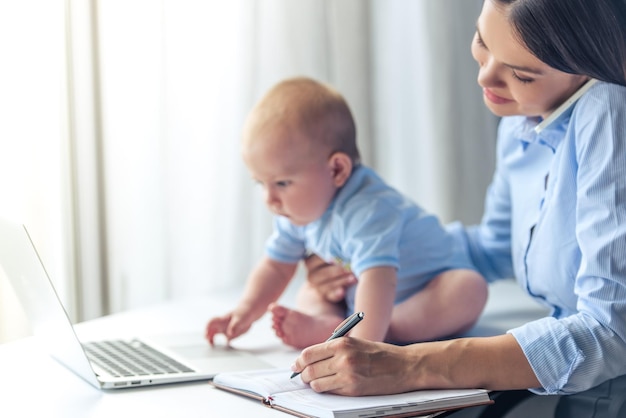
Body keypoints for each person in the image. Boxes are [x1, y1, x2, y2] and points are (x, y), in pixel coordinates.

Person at [291, 0, 626, 416]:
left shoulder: (610, 111)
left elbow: (613, 331)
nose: (486, 76)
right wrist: (375, 254)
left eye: (521, 73)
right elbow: (493, 249)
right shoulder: (522, 122)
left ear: (593, 66)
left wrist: (411, 365)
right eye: (482, 42)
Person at [205, 77, 488, 349]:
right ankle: (332, 325)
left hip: (422, 295)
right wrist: (244, 312)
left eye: (281, 183)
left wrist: (363, 346)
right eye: (260, 183)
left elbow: (379, 280)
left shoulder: (368, 209)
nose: (270, 199)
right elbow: (276, 267)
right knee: (311, 290)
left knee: (468, 288)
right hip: (362, 302)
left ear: (337, 170)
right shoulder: (297, 211)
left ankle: (367, 334)